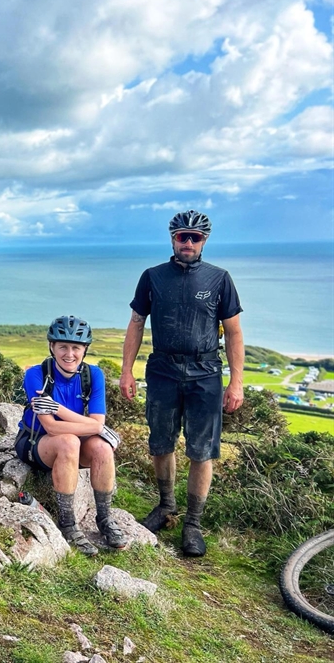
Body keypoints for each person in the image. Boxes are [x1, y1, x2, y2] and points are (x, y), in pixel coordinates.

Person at [119, 210, 244, 557]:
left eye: (196, 237)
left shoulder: (220, 279)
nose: (188, 242)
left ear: (205, 241)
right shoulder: (152, 277)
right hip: (162, 369)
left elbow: (233, 333)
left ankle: (193, 524)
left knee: (202, 451)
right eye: (182, 236)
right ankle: (166, 506)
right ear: (172, 238)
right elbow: (135, 323)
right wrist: (126, 370)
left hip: (205, 372)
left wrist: (237, 383)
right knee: (160, 443)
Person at [15, 316, 127, 555]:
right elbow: (53, 428)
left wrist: (59, 409)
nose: (69, 354)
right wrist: (94, 428)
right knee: (69, 441)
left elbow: (98, 422)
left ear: (84, 350)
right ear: (52, 347)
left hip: (71, 444)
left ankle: (105, 519)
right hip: (36, 443)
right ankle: (68, 524)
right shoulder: (36, 375)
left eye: (76, 347)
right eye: (62, 346)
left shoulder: (93, 375)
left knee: (102, 448)